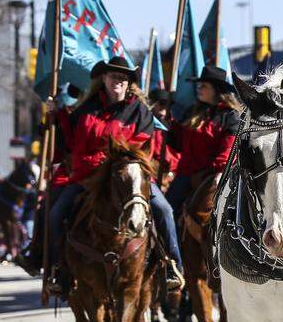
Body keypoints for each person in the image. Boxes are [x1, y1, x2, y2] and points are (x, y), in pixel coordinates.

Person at [45, 56, 183, 292]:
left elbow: (138, 146)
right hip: (88, 176)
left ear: (129, 83)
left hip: (129, 176)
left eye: (122, 77)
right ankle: (57, 268)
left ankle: (172, 264)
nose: (117, 81)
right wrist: (56, 116)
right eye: (113, 76)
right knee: (56, 212)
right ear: (104, 79)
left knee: (164, 210)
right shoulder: (86, 109)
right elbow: (72, 142)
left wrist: (109, 159)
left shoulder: (140, 112)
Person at [165, 65, 241, 214]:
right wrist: (171, 125)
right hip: (186, 174)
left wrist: (221, 171)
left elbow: (229, 147)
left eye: (204, 86)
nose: (199, 88)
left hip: (212, 174)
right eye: (199, 85)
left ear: (216, 90)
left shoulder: (230, 116)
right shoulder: (192, 112)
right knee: (167, 210)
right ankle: (167, 238)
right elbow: (178, 144)